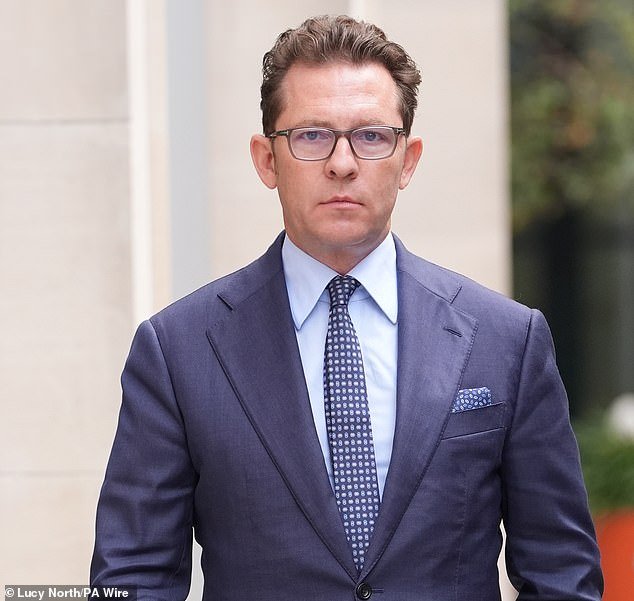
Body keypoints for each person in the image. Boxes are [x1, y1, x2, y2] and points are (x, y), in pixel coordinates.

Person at [91, 14, 603, 601]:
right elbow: (132, 578)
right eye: (312, 136)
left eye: (371, 136)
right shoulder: (178, 350)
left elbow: (562, 576)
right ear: (266, 160)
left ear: (408, 160)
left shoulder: (506, 339)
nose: (342, 163)